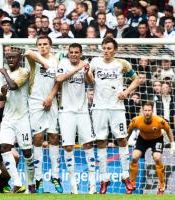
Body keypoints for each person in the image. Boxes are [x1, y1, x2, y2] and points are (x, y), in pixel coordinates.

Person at [85, 37, 141, 194]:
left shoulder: (122, 63)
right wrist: (87, 74)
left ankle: (125, 176)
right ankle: (104, 178)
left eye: (109, 48)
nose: (106, 50)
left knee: (122, 139)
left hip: (117, 108)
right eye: (104, 48)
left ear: (115, 50)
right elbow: (89, 80)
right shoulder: (95, 62)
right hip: (99, 108)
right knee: (101, 141)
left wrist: (126, 92)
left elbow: (136, 80)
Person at [54, 43, 96, 194]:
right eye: (71, 52)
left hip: (83, 111)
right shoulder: (63, 63)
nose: (73, 54)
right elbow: (59, 79)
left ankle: (92, 186)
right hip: (66, 111)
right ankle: (73, 186)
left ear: (80, 53)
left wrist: (86, 72)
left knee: (89, 145)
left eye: (76, 52)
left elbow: (91, 82)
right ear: (68, 53)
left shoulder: (85, 64)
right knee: (68, 147)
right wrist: (78, 69)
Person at [24, 35, 62, 193]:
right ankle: (38, 179)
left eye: (45, 44)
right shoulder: (34, 57)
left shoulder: (58, 59)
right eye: (39, 44)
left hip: (51, 101)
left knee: (54, 136)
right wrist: (44, 63)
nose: (42, 46)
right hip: (35, 101)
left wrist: (51, 98)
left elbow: (59, 81)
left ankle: (55, 176)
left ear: (50, 45)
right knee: (38, 137)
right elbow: (27, 52)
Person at [0, 48, 32, 193]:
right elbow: (2, 97)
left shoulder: (24, 72)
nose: (10, 60)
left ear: (19, 59)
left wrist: (4, 72)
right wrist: (3, 95)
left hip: (22, 117)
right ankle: (17, 183)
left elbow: (13, 86)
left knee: (27, 153)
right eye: (8, 58)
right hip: (8, 118)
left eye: (13, 58)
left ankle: (32, 184)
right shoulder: (2, 77)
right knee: (4, 148)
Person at [127, 101, 175, 195]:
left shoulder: (159, 121)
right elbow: (129, 130)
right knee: (134, 157)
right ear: (142, 111)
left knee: (157, 157)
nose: (147, 112)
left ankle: (161, 186)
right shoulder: (136, 120)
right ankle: (132, 185)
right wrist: (125, 143)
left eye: (149, 110)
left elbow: (168, 130)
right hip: (142, 139)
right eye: (145, 110)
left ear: (152, 111)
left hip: (157, 139)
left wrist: (172, 143)